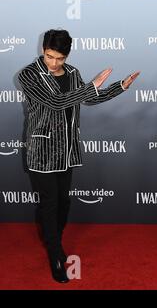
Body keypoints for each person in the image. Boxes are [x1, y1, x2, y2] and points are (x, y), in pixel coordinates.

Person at [18, 29, 140, 283]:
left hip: (67, 150)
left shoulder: (72, 73)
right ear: (43, 50)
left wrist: (119, 87)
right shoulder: (28, 75)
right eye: (50, 56)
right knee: (50, 203)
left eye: (59, 58)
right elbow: (55, 102)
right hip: (42, 152)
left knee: (64, 203)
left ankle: (53, 238)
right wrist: (90, 87)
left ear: (67, 55)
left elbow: (89, 99)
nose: (53, 63)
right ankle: (55, 255)